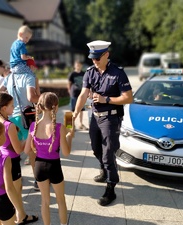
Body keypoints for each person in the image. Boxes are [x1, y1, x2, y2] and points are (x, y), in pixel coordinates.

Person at [73, 40, 133, 206]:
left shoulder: (118, 73)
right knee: (95, 148)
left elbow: (128, 98)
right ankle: (104, 168)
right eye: (92, 58)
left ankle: (111, 188)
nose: (94, 61)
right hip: (95, 117)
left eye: (98, 58)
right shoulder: (90, 72)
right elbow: (83, 94)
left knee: (108, 153)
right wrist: (76, 112)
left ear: (107, 54)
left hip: (111, 118)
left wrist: (106, 99)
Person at [0, 119, 38, 225]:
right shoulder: (4, 159)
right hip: (2, 202)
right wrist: (19, 209)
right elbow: (9, 188)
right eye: (4, 133)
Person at [24, 92, 73, 225]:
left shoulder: (33, 126)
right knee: (60, 200)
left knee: (45, 201)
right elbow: (66, 152)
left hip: (39, 166)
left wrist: (37, 148)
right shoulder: (59, 128)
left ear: (40, 106)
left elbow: (26, 150)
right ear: (55, 107)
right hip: (54, 166)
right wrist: (69, 137)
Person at [0, 47, 40, 190]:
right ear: (29, 65)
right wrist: (44, 97)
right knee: (32, 150)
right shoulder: (29, 77)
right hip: (26, 118)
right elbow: (31, 97)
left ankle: (11, 179)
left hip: (10, 118)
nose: (33, 69)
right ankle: (37, 180)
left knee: (12, 150)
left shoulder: (9, 76)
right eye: (32, 66)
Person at [0, 92, 38, 223]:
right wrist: (29, 136)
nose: (14, 107)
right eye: (12, 105)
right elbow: (18, 149)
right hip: (11, 160)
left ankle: (17, 214)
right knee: (16, 190)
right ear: (4, 108)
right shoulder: (9, 125)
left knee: (9, 188)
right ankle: (21, 216)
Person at [10, 25, 40, 95]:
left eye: (28, 39)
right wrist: (29, 57)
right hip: (20, 66)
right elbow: (23, 57)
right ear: (20, 34)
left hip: (13, 68)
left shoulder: (14, 44)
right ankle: (39, 96)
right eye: (26, 38)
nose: (27, 40)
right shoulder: (22, 44)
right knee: (34, 78)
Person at [67, 60, 88, 130]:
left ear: (81, 65)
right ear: (74, 66)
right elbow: (69, 83)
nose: (78, 66)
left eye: (79, 64)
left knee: (81, 110)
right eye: (77, 65)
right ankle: (70, 125)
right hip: (74, 94)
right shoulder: (72, 74)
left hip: (81, 94)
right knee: (72, 110)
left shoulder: (84, 73)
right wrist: (69, 91)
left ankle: (81, 124)